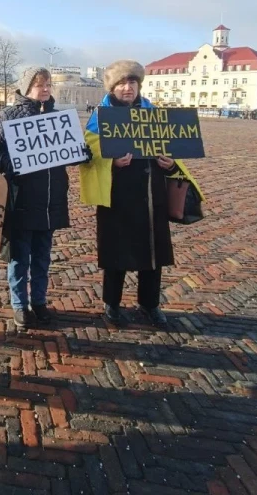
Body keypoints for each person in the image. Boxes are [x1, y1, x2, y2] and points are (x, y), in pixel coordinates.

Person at [80, 61, 202, 328]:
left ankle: (150, 303)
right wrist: (111, 163)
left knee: (152, 253)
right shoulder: (101, 116)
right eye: (122, 83)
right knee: (116, 252)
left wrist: (169, 164)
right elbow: (89, 152)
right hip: (118, 196)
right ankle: (111, 303)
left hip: (151, 195)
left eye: (132, 83)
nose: (128, 88)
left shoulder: (153, 113)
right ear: (114, 87)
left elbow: (171, 148)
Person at [0, 66, 84, 331]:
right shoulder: (9, 115)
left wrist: (81, 153)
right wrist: (10, 163)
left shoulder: (58, 117)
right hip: (21, 199)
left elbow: (70, 151)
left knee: (43, 256)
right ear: (28, 87)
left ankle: (39, 302)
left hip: (51, 199)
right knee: (19, 257)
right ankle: (19, 304)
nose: (46, 89)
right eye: (41, 85)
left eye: (49, 85)